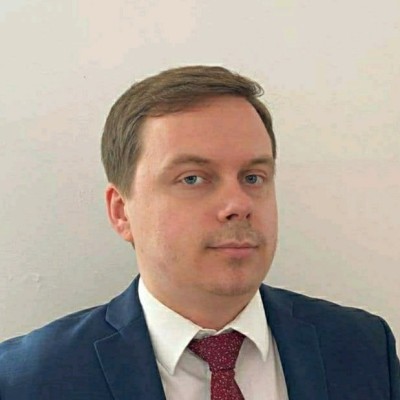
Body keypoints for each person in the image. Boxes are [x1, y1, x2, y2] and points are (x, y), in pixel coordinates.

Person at [0, 65, 399, 400]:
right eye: (192, 178)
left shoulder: (362, 347)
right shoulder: (27, 380)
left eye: (253, 177)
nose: (238, 204)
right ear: (121, 212)